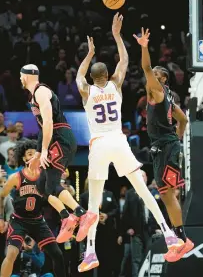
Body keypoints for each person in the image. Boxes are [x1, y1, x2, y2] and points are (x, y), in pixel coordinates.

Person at [76, 14, 185, 272]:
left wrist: (89, 53)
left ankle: (90, 252)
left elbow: (80, 75)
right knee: (144, 190)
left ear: (93, 77)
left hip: (99, 144)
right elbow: (124, 60)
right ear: (108, 75)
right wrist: (116, 35)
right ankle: (169, 234)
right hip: (118, 140)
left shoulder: (86, 90)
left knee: (93, 203)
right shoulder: (116, 85)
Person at [134, 28, 194, 257]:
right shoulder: (167, 95)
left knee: (168, 194)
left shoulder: (158, 91)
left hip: (165, 146)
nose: (148, 78)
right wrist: (176, 139)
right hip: (165, 146)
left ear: (161, 79)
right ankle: (181, 239)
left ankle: (181, 239)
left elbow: (147, 67)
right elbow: (183, 119)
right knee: (167, 194)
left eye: (154, 76)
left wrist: (143, 46)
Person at [20, 63, 96, 243]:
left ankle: (82, 214)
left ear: (27, 75)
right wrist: (38, 153)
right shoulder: (34, 96)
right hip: (56, 139)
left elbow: (48, 122)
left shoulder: (41, 91)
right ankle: (66, 218)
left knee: (53, 185)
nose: (20, 79)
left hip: (61, 139)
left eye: (21, 75)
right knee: (41, 186)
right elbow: (41, 128)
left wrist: (45, 150)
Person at [0, 140, 66, 277]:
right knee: (11, 253)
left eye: (36, 154)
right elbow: (1, 196)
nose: (34, 156)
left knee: (57, 254)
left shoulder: (45, 177)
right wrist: (0, 218)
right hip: (19, 220)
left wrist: (66, 213)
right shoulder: (16, 177)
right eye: (30, 154)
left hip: (38, 221)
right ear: (24, 158)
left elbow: (55, 196)